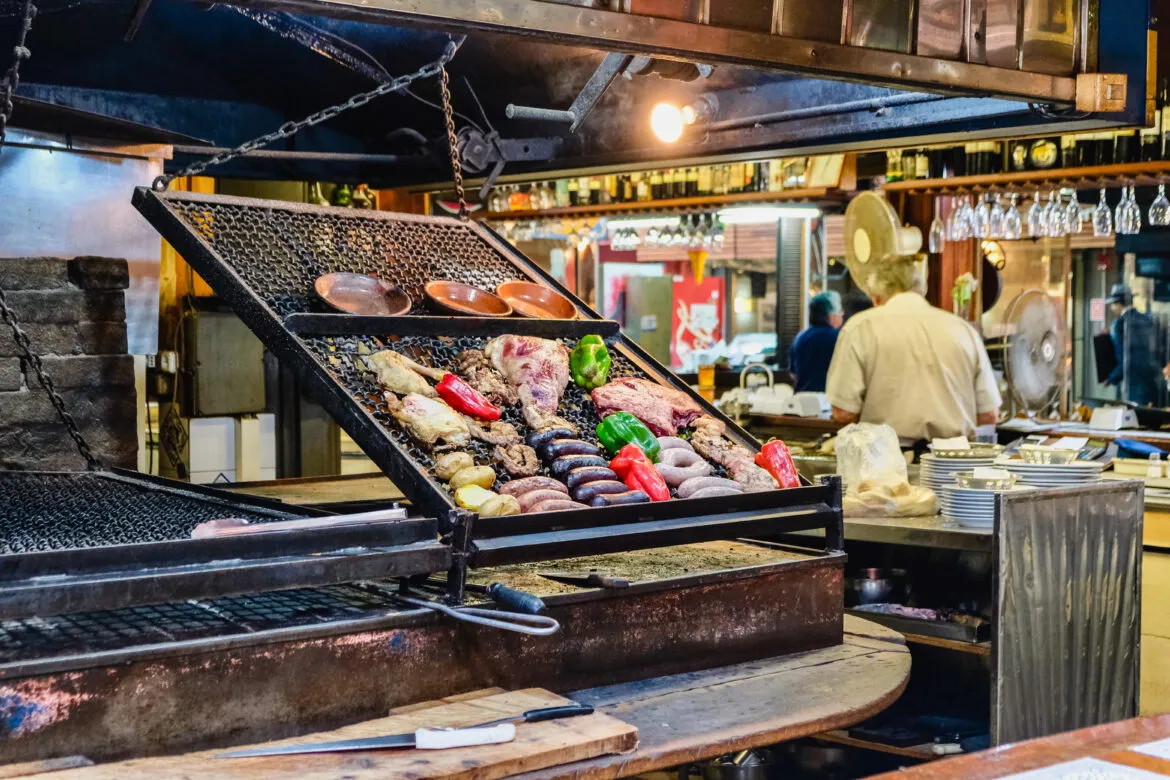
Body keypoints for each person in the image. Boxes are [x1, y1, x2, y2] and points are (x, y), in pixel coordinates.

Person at [825, 253, 1001, 444]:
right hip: (952, 463)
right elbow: (989, 415)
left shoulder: (860, 327)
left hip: (885, 461)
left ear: (876, 297)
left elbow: (843, 413)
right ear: (921, 290)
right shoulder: (963, 330)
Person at [1104, 284, 1160, 406]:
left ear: (1118, 303)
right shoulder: (1147, 319)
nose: (1112, 308)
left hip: (1134, 385)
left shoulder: (1119, 324)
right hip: (1153, 382)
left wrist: (1111, 378)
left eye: (1113, 304)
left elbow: (1124, 359)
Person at [789, 291, 843, 392]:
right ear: (831, 315)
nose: (842, 314)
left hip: (801, 400)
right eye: (840, 311)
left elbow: (793, 375)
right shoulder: (839, 338)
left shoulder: (800, 337)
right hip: (827, 401)